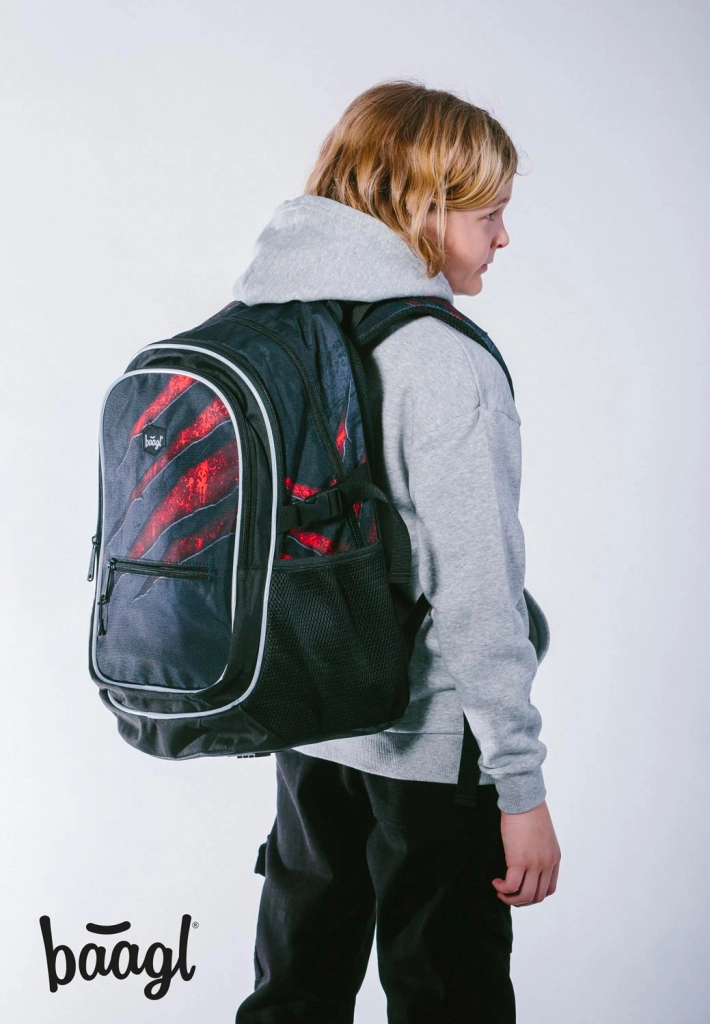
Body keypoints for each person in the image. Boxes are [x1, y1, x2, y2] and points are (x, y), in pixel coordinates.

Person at [234, 79, 561, 1024]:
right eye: (489, 214)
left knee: (295, 991)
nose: (503, 237)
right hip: (427, 749)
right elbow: (479, 596)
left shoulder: (272, 328)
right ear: (422, 207)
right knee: (449, 997)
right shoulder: (442, 359)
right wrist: (521, 788)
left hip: (307, 720)